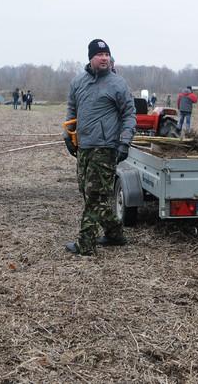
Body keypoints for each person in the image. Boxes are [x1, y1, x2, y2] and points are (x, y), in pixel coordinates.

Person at [64, 39, 136, 255]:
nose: (104, 58)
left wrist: (125, 142)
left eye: (107, 55)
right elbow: (72, 109)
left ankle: (85, 244)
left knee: (94, 195)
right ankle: (115, 234)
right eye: (100, 55)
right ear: (91, 58)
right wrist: (68, 135)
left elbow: (129, 115)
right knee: (89, 193)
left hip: (105, 148)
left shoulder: (118, 84)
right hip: (84, 146)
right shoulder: (78, 82)